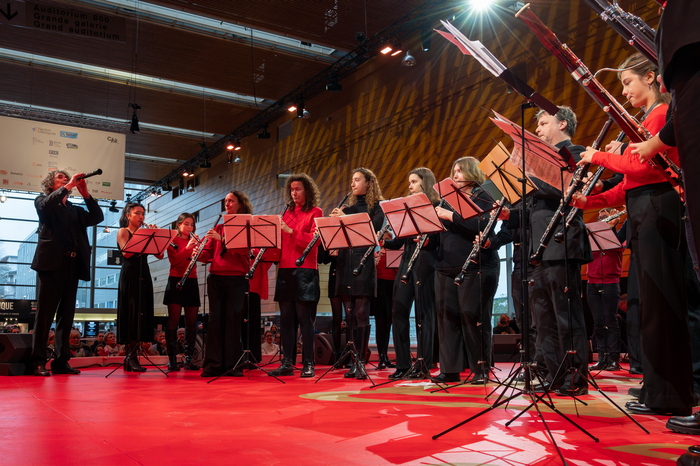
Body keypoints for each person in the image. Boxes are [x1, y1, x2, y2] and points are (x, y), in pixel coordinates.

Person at [575, 53, 693, 415]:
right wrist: (588, 200)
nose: (624, 91)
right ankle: (656, 388)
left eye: (628, 82)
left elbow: (639, 168)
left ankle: (669, 394)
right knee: (651, 307)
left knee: (662, 304)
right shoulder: (647, 119)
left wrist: (597, 156)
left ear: (651, 77)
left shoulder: (660, 114)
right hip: (646, 209)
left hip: (659, 210)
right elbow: (629, 184)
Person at [500, 105, 591, 395]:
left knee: (565, 315)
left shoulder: (573, 153)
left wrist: (531, 172)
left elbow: (564, 189)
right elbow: (530, 211)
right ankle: (555, 374)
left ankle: (576, 378)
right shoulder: (539, 167)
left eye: (542, 123)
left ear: (562, 124)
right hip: (536, 248)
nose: (537, 129)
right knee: (543, 317)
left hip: (561, 243)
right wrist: (507, 215)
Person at [430, 157, 500, 385]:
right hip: (444, 265)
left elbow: (481, 225)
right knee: (446, 318)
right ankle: (449, 369)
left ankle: (480, 369)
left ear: (472, 172)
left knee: (474, 319)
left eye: (460, 170)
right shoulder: (446, 200)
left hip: (476, 265)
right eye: (454, 170)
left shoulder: (484, 195)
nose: (456, 174)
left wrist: (450, 216)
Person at [30, 169, 103, 376]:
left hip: (72, 263)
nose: (65, 179)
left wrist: (86, 193)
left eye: (66, 177)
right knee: (44, 316)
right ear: (51, 185)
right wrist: (69, 185)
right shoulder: (43, 200)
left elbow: (97, 216)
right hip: (51, 263)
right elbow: (45, 208)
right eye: (60, 178)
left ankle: (61, 361)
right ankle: (37, 361)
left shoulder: (74, 209)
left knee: (67, 316)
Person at [384, 167, 440, 380]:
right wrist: (383, 241)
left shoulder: (436, 206)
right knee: (398, 311)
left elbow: (436, 240)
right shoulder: (406, 208)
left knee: (424, 314)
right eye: (410, 182)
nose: (410, 186)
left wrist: (426, 240)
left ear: (425, 183)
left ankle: (424, 363)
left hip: (426, 261)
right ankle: (403, 364)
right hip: (407, 260)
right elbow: (399, 240)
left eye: (414, 182)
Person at [330, 168, 385, 380]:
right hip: (345, 261)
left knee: (362, 312)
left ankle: (361, 361)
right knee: (350, 314)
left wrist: (346, 217)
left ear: (369, 183)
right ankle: (354, 361)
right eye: (351, 180)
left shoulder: (377, 207)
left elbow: (374, 230)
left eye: (356, 180)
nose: (352, 184)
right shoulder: (349, 208)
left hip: (364, 262)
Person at [270, 174, 323, 378]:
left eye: (298, 189)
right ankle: (286, 362)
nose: (294, 192)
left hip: (305, 270)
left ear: (307, 191)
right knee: (285, 319)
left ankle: (308, 362)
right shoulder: (285, 213)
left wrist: (290, 231)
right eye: (292, 189)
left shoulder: (316, 212)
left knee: (304, 320)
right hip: (285, 269)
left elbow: (314, 242)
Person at [196, 190, 252, 377]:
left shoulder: (245, 226)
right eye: (226, 201)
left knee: (233, 322)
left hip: (237, 279)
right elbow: (209, 255)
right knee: (215, 322)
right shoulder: (218, 227)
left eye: (231, 201)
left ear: (240, 205)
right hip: (216, 278)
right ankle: (213, 365)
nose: (227, 204)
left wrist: (223, 239)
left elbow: (245, 251)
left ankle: (233, 366)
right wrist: (197, 252)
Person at [117, 202, 163, 373]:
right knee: (131, 313)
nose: (141, 217)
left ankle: (134, 355)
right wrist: (143, 235)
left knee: (142, 313)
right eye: (137, 213)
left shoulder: (144, 234)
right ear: (128, 215)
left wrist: (155, 236)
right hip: (130, 275)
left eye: (143, 214)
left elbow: (159, 255)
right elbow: (126, 252)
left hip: (144, 274)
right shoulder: (124, 231)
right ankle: (130, 356)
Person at [586, 208, 624, 372]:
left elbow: (619, 247)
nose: (603, 220)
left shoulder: (617, 235)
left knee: (611, 321)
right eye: (600, 217)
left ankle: (613, 359)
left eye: (605, 217)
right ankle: (602, 358)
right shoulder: (591, 237)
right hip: (591, 281)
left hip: (610, 281)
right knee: (598, 323)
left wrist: (612, 227)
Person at [163, 213, 201, 371]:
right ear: (178, 225)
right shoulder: (172, 240)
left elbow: (199, 258)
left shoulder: (195, 241)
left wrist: (198, 248)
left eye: (191, 224)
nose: (189, 227)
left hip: (191, 280)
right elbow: (175, 260)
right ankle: (172, 358)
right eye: (186, 224)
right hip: (176, 279)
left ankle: (188, 358)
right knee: (174, 320)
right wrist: (188, 247)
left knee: (191, 323)